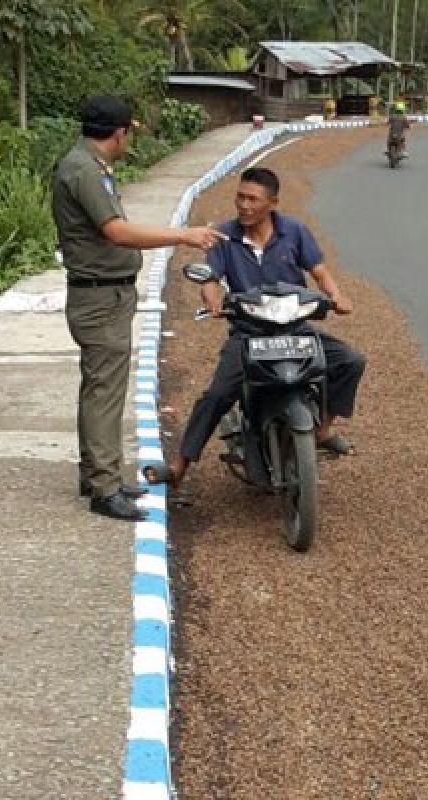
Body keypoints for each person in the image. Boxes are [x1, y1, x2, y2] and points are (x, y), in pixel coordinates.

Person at [51, 95, 225, 521]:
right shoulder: (86, 172)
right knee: (104, 392)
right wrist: (182, 236)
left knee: (100, 388)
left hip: (105, 294)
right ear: (119, 133)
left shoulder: (84, 165)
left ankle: (98, 472)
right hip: (99, 297)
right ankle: (103, 488)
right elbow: (118, 232)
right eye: (129, 132)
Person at [142, 167, 366, 492]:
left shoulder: (295, 232)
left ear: (272, 203)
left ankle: (323, 430)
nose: (244, 205)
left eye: (253, 199)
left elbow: (319, 271)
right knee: (217, 395)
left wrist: (337, 296)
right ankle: (179, 465)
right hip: (249, 334)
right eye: (240, 197)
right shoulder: (224, 236)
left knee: (350, 360)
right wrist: (214, 299)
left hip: (295, 330)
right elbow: (209, 279)